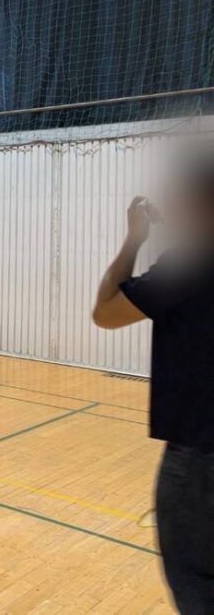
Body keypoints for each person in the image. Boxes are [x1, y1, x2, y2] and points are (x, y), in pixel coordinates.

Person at [92, 149, 214, 615]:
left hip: (199, 461)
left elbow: (105, 311)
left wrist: (133, 239)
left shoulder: (186, 267)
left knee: (195, 586)